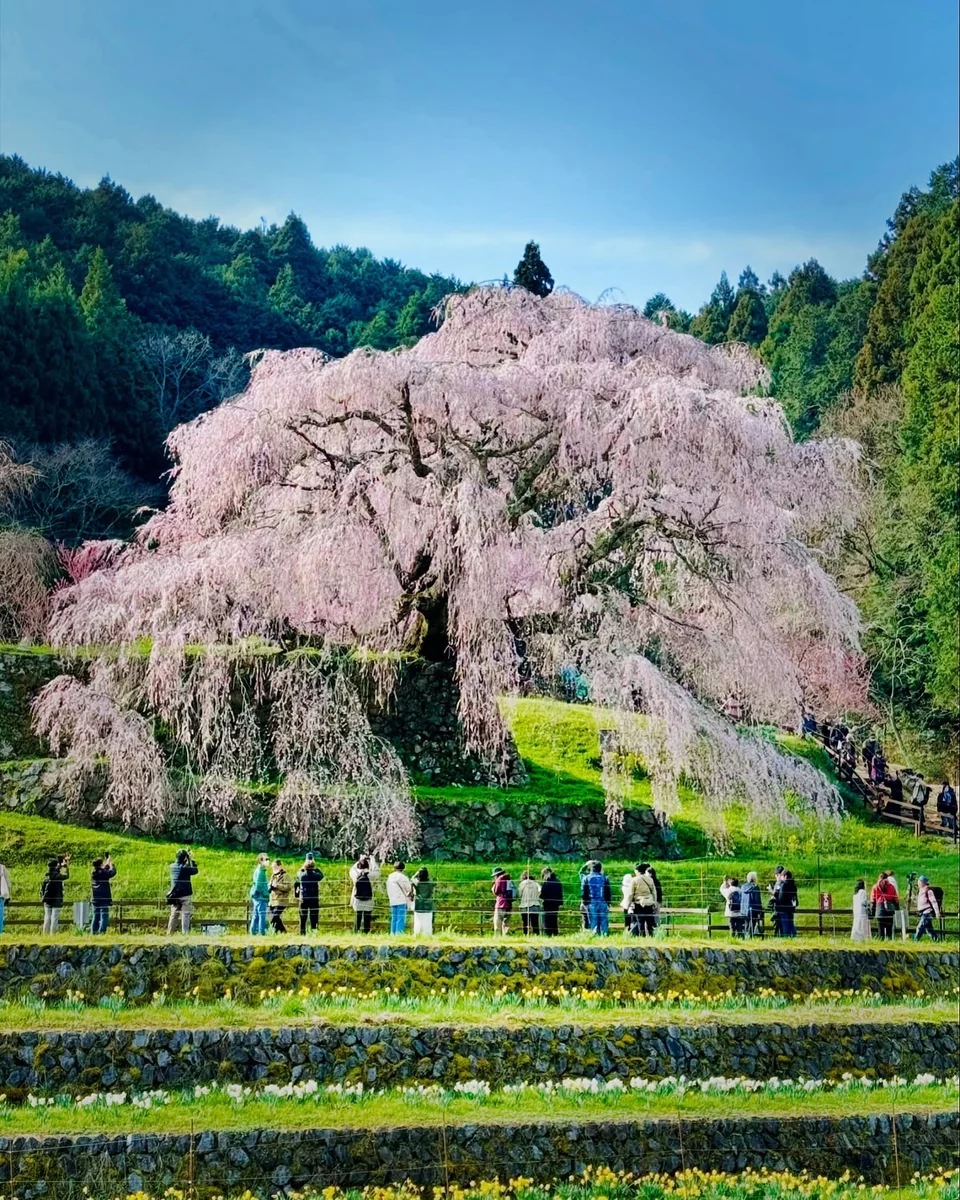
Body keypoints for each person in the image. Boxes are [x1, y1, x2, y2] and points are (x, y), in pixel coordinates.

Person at [166, 849, 197, 935]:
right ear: (184, 858)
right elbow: (195, 870)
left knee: (173, 914)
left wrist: (187, 858)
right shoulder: (185, 868)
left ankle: (169, 933)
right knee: (185, 914)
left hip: (175, 895)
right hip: (185, 895)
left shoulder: (172, 866)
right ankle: (185, 934)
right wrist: (191, 859)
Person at [349, 855, 380, 933]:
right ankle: (366, 931)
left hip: (357, 897)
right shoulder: (371, 875)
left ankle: (356, 930)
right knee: (367, 916)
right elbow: (378, 872)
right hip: (368, 898)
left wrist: (360, 859)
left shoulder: (355, 875)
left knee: (358, 915)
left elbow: (352, 869)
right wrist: (372, 861)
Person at [294, 853, 324, 936]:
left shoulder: (302, 875)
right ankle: (314, 932)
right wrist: (315, 868)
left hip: (303, 899)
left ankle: (302, 933)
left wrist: (303, 866)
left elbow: (298, 872)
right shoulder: (316, 876)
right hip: (314, 899)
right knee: (314, 917)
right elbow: (321, 875)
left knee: (303, 917)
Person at [41, 854, 71, 935]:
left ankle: (45, 934)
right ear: (55, 866)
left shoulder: (47, 875)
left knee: (47, 917)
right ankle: (53, 934)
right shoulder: (57, 876)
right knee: (54, 918)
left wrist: (60, 866)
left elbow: (55, 871)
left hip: (47, 899)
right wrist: (66, 867)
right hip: (56, 899)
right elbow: (67, 876)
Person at [581, 860, 611, 936]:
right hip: (603, 901)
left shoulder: (586, 878)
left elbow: (584, 891)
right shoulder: (605, 878)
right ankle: (604, 935)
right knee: (603, 920)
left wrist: (585, 902)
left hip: (591, 902)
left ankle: (594, 935)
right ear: (600, 869)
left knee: (593, 920)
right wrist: (608, 902)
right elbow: (608, 891)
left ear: (591, 869)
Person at [90, 854, 116, 935]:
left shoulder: (93, 872)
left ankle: (94, 932)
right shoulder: (103, 872)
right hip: (104, 897)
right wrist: (112, 864)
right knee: (104, 916)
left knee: (96, 916)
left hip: (95, 898)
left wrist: (107, 863)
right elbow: (112, 873)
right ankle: (102, 932)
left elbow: (103, 870)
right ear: (101, 864)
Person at [386, 861, 413, 935]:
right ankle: (399, 933)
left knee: (394, 918)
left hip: (392, 899)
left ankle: (393, 933)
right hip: (401, 899)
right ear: (403, 868)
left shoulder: (390, 877)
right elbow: (409, 888)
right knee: (400, 918)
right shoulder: (403, 877)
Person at [870, 871, 898, 941]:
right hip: (889, 909)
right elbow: (895, 899)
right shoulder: (891, 887)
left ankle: (881, 942)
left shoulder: (875, 887)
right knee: (889, 930)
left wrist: (872, 912)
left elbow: (873, 900)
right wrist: (896, 909)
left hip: (879, 909)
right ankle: (889, 942)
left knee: (881, 929)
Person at [632, 864, 658, 936]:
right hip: (649, 903)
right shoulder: (650, 879)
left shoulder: (634, 880)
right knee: (649, 921)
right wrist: (654, 902)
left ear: (637, 871)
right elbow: (654, 892)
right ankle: (651, 936)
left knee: (640, 922)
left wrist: (628, 904)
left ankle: (642, 936)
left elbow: (630, 893)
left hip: (638, 903)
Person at [913, 875, 941, 943]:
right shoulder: (920, 891)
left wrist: (937, 912)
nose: (918, 883)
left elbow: (934, 902)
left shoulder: (928, 891)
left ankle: (915, 942)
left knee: (920, 927)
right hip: (923, 912)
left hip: (927, 912)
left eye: (919, 881)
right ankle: (937, 941)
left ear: (923, 882)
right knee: (929, 930)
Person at [249, 853, 270, 936]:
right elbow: (259, 885)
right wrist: (264, 893)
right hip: (261, 897)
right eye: (266, 859)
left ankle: (253, 931)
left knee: (256, 915)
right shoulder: (261, 871)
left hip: (257, 896)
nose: (268, 861)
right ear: (261, 861)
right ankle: (262, 932)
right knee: (262, 915)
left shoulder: (259, 870)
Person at [268, 859, 292, 933]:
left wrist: (277, 886)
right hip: (272, 901)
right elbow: (269, 886)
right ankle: (282, 932)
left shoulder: (285, 876)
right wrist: (269, 887)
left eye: (275, 867)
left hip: (281, 901)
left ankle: (273, 932)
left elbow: (288, 887)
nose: (273, 868)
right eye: (272, 867)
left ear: (280, 866)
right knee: (276, 918)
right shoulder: (273, 876)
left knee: (274, 918)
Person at [412, 867, 435, 936]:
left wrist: (415, 874)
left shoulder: (417, 883)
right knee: (428, 922)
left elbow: (412, 879)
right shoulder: (430, 883)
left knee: (418, 921)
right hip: (428, 904)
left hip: (418, 904)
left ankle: (417, 934)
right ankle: (427, 935)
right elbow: (433, 881)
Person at [740, 871, 764, 938]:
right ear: (754, 878)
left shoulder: (743, 887)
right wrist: (759, 911)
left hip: (744, 910)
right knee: (752, 925)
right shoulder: (755, 888)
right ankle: (750, 937)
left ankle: (746, 937)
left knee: (746, 925)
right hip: (753, 910)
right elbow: (757, 900)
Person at [540, 869, 563, 936]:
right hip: (556, 904)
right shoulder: (558, 881)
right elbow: (560, 893)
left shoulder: (546, 883)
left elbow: (543, 894)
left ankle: (548, 933)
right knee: (554, 919)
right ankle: (555, 933)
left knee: (547, 919)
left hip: (548, 903)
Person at [491, 867, 514, 936]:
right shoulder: (509, 880)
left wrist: (494, 885)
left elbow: (496, 891)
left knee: (497, 921)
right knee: (507, 922)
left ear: (496, 875)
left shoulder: (499, 879)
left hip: (501, 904)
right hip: (509, 904)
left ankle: (497, 937)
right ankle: (506, 936)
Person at [518, 870, 541, 935]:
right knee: (535, 923)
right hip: (535, 905)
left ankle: (526, 935)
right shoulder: (536, 883)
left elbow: (519, 894)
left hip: (524, 906)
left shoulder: (522, 883)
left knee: (525, 923)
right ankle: (536, 935)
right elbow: (540, 891)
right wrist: (536, 897)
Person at [577, 861, 596, 930]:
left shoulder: (585, 877)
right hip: (595, 901)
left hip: (586, 901)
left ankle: (586, 931)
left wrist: (586, 864)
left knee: (585, 918)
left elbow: (581, 872)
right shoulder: (599, 877)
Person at [0, 859, 9, 935]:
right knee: (0, 915)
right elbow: (8, 882)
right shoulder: (2, 867)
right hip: (1, 895)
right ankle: (0, 931)